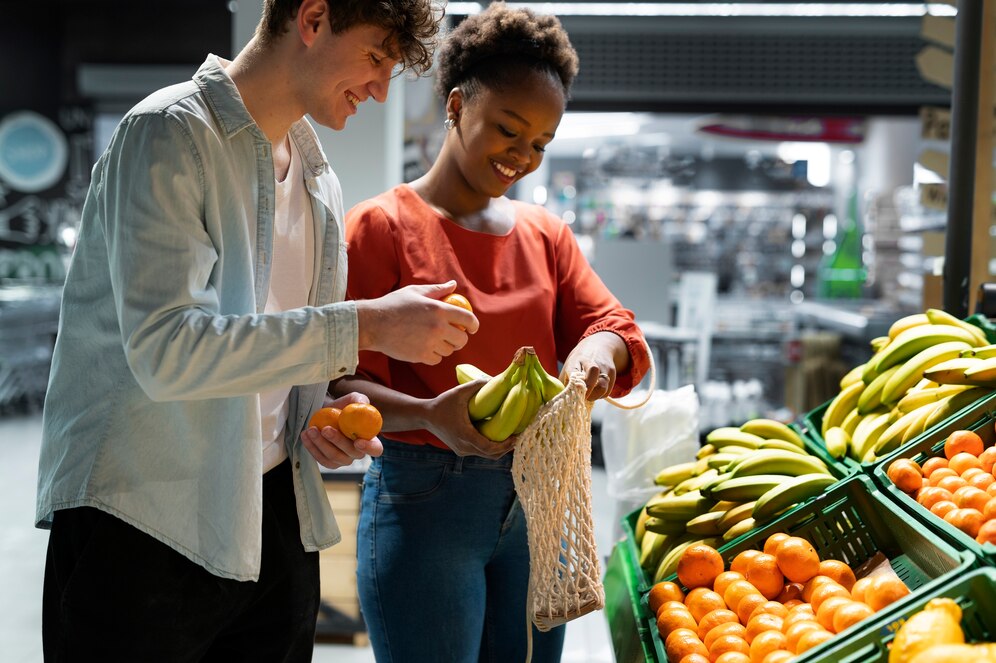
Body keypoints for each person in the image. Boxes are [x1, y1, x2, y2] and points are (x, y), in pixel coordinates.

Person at [34, 1, 473, 661]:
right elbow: (169, 351)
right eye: (377, 57)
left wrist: (317, 413)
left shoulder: (317, 178)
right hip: (145, 519)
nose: (382, 89)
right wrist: (368, 324)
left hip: (272, 516)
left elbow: (263, 357)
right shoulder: (169, 134)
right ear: (314, 18)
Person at [339, 4, 652, 661]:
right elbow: (336, 380)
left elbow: (614, 326)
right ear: (456, 106)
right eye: (508, 130)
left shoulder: (545, 235)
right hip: (425, 503)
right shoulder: (381, 227)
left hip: (540, 510)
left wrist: (598, 350)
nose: (523, 157)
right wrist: (429, 413)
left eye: (540, 143)